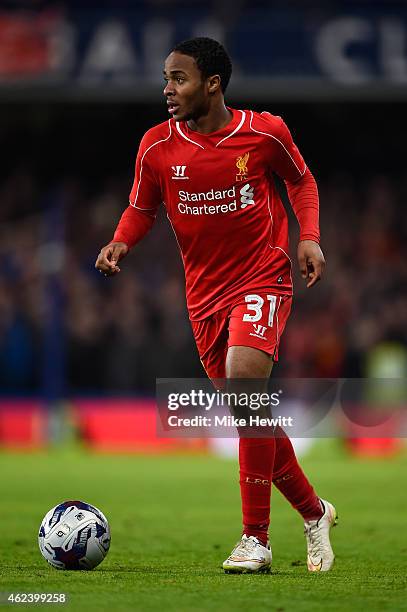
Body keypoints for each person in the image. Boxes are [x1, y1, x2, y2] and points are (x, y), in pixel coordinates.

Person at [95, 37, 337, 574]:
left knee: (247, 382)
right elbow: (141, 208)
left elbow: (302, 182)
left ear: (213, 84)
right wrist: (120, 240)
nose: (167, 90)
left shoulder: (264, 133)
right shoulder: (157, 146)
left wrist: (309, 236)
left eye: (178, 79)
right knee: (251, 416)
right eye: (165, 78)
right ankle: (316, 512)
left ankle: (256, 539)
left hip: (263, 276)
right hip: (204, 297)